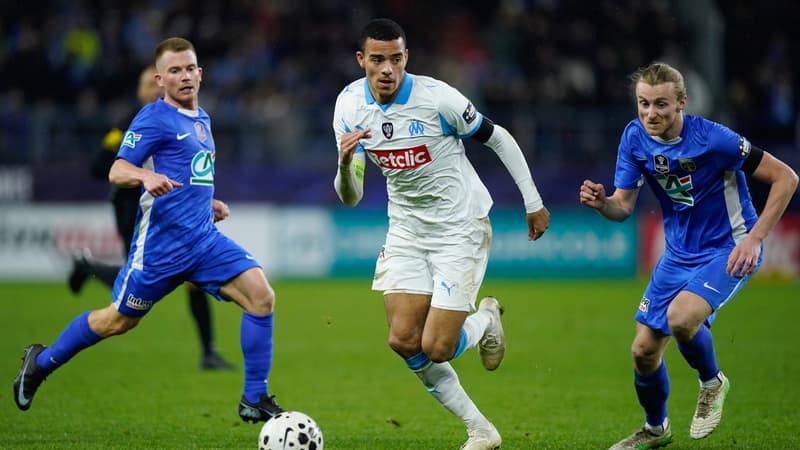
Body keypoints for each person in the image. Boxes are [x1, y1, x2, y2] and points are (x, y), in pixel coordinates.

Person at [14, 37, 284, 424]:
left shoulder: (202, 119)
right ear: (160, 79)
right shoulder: (153, 118)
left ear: (200, 73)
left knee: (262, 298)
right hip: (160, 250)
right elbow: (117, 169)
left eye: (190, 68)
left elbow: (190, 175)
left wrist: (207, 202)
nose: (184, 76)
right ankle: (40, 363)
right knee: (118, 321)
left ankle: (254, 398)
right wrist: (145, 175)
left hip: (203, 240)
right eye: (174, 71)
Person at [333, 18, 550, 450]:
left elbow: (499, 138)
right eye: (377, 60)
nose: (387, 69)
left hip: (460, 227)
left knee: (436, 346)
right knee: (402, 339)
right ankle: (481, 430)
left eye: (395, 58)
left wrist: (533, 201)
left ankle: (486, 319)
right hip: (407, 229)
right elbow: (351, 197)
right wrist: (343, 164)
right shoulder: (348, 107)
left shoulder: (438, 99)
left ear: (406, 57)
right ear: (362, 61)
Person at [579, 62, 798, 449]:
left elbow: (787, 178)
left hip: (730, 248)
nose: (650, 113)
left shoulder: (715, 139)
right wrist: (602, 204)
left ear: (681, 103)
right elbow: (623, 207)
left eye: (661, 104)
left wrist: (755, 239)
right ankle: (655, 429)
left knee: (681, 319)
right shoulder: (634, 138)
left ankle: (712, 382)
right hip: (678, 255)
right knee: (643, 351)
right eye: (643, 104)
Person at [68, 65, 235, 371]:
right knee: (137, 280)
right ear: (140, 89)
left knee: (192, 280)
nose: (154, 90)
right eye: (148, 84)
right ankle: (88, 265)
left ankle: (209, 350)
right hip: (131, 207)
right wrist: (141, 175)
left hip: (167, 207)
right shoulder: (129, 123)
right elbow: (102, 167)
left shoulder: (178, 119)